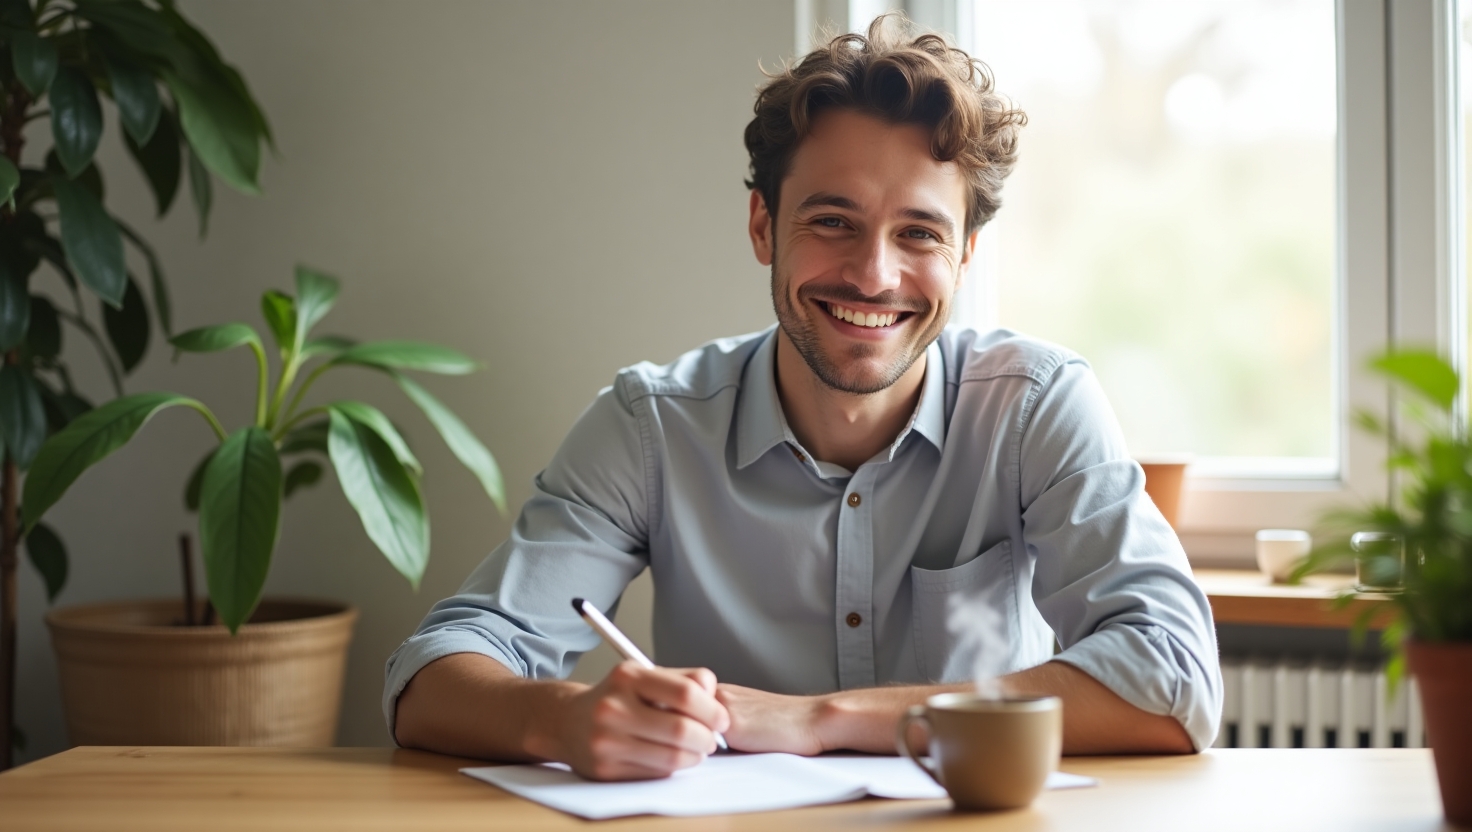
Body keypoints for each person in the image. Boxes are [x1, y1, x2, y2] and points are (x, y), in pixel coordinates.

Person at [386, 16, 1221, 781]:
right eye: (832, 221)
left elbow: (1174, 676)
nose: (874, 274)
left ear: (965, 254)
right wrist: (564, 720)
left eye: (920, 233)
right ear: (762, 226)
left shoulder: (1035, 406)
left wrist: (820, 721)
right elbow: (433, 673)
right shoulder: (651, 426)